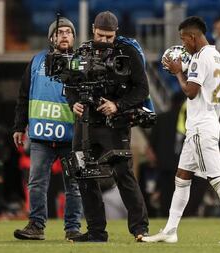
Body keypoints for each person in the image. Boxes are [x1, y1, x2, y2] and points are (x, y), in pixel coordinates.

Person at [142, 16, 220, 244]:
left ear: (193, 37)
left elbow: (191, 91)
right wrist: (186, 66)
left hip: (201, 127)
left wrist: (177, 72)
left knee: (217, 178)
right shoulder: (217, 56)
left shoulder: (199, 58)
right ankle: (170, 230)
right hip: (203, 123)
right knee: (181, 178)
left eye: (184, 40)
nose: (183, 45)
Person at [66, 11, 149, 242]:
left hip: (115, 124)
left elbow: (142, 90)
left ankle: (140, 229)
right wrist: (74, 103)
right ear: (93, 29)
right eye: (100, 35)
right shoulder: (81, 52)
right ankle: (96, 232)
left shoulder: (128, 52)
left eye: (109, 36)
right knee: (83, 174)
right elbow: (70, 85)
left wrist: (118, 105)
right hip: (86, 123)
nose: (104, 40)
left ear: (116, 33)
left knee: (123, 173)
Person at [12, 17, 82, 240]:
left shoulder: (81, 62)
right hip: (41, 136)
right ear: (51, 37)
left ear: (73, 37)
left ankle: (73, 229)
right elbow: (24, 96)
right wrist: (18, 126)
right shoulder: (36, 61)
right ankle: (36, 226)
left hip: (72, 137)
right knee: (36, 183)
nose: (64, 35)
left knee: (74, 186)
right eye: (59, 32)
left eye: (68, 32)